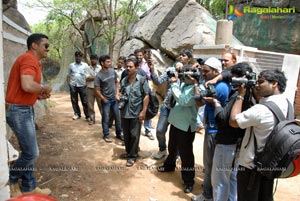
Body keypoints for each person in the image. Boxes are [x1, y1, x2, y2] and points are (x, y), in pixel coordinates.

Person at [229, 69, 289, 201]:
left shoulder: (262, 109)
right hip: (271, 165)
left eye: (261, 82)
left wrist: (240, 95)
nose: (256, 85)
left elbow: (233, 121)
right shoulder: (287, 104)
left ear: (274, 83)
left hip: (251, 167)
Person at [6, 33, 52, 197]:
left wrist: (39, 95)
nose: (48, 48)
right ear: (34, 45)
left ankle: (29, 186)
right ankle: (11, 179)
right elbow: (27, 84)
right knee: (31, 153)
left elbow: (25, 88)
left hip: (23, 109)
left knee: (28, 150)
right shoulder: (28, 59)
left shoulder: (34, 62)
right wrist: (43, 88)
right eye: (45, 45)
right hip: (19, 110)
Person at [210, 63, 254, 201]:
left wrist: (216, 104)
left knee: (220, 181)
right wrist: (217, 78)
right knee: (232, 179)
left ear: (244, 78)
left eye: (235, 79)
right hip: (239, 146)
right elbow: (228, 74)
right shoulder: (252, 94)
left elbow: (224, 119)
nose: (233, 82)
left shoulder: (239, 96)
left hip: (227, 144)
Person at [192, 57, 230, 201]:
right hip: (213, 129)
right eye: (201, 71)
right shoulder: (219, 84)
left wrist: (197, 85)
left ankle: (208, 195)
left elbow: (199, 102)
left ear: (216, 71)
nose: (203, 74)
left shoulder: (219, 87)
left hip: (214, 131)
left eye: (206, 71)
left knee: (209, 164)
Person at [157, 64, 199, 193]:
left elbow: (183, 101)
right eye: (183, 74)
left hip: (185, 127)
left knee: (186, 156)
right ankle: (169, 166)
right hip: (175, 123)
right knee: (172, 147)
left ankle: (189, 181)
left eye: (186, 74)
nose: (183, 76)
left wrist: (174, 84)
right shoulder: (183, 84)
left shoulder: (196, 89)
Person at [150, 48, 195, 160]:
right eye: (180, 54)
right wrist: (152, 70)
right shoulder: (170, 69)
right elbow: (159, 81)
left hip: (180, 108)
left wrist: (182, 73)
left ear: (189, 59)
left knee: (178, 134)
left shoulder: (191, 72)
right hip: (168, 106)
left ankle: (176, 153)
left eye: (184, 55)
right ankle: (162, 149)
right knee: (160, 130)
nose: (180, 56)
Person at [119, 58, 151, 167]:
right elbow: (120, 93)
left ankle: (133, 156)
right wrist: (119, 97)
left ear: (137, 68)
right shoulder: (123, 81)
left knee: (134, 134)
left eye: (130, 66)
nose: (128, 68)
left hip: (136, 112)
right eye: (126, 66)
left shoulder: (142, 80)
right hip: (124, 112)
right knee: (126, 135)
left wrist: (143, 111)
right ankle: (128, 152)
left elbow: (147, 95)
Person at [94, 55, 123, 143]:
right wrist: (103, 98)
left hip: (114, 99)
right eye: (107, 62)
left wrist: (117, 93)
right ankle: (106, 135)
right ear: (102, 63)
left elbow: (116, 82)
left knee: (118, 117)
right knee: (105, 118)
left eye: (110, 61)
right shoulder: (99, 75)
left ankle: (119, 134)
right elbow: (96, 89)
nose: (109, 63)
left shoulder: (112, 71)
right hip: (106, 101)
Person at [135, 49, 155, 140]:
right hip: (135, 90)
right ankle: (134, 131)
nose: (139, 57)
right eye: (137, 55)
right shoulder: (132, 63)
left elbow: (150, 77)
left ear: (143, 55)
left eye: (140, 55)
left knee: (147, 108)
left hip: (145, 88)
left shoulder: (146, 65)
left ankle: (147, 130)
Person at [66, 51, 90, 121]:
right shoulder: (71, 65)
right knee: (74, 100)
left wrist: (86, 84)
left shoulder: (85, 65)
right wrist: (69, 84)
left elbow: (87, 75)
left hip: (82, 85)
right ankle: (77, 114)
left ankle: (87, 116)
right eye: (77, 56)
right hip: (73, 85)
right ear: (75, 57)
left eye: (79, 56)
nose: (78, 57)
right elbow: (68, 75)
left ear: (82, 57)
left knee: (85, 101)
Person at [86, 54, 102, 125]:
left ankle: (104, 119)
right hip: (90, 89)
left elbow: (102, 78)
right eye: (92, 59)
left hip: (99, 88)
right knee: (90, 105)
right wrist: (97, 77)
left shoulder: (100, 68)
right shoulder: (87, 68)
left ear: (97, 59)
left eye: (95, 59)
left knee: (101, 104)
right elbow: (87, 78)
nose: (93, 60)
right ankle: (92, 119)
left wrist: (92, 77)